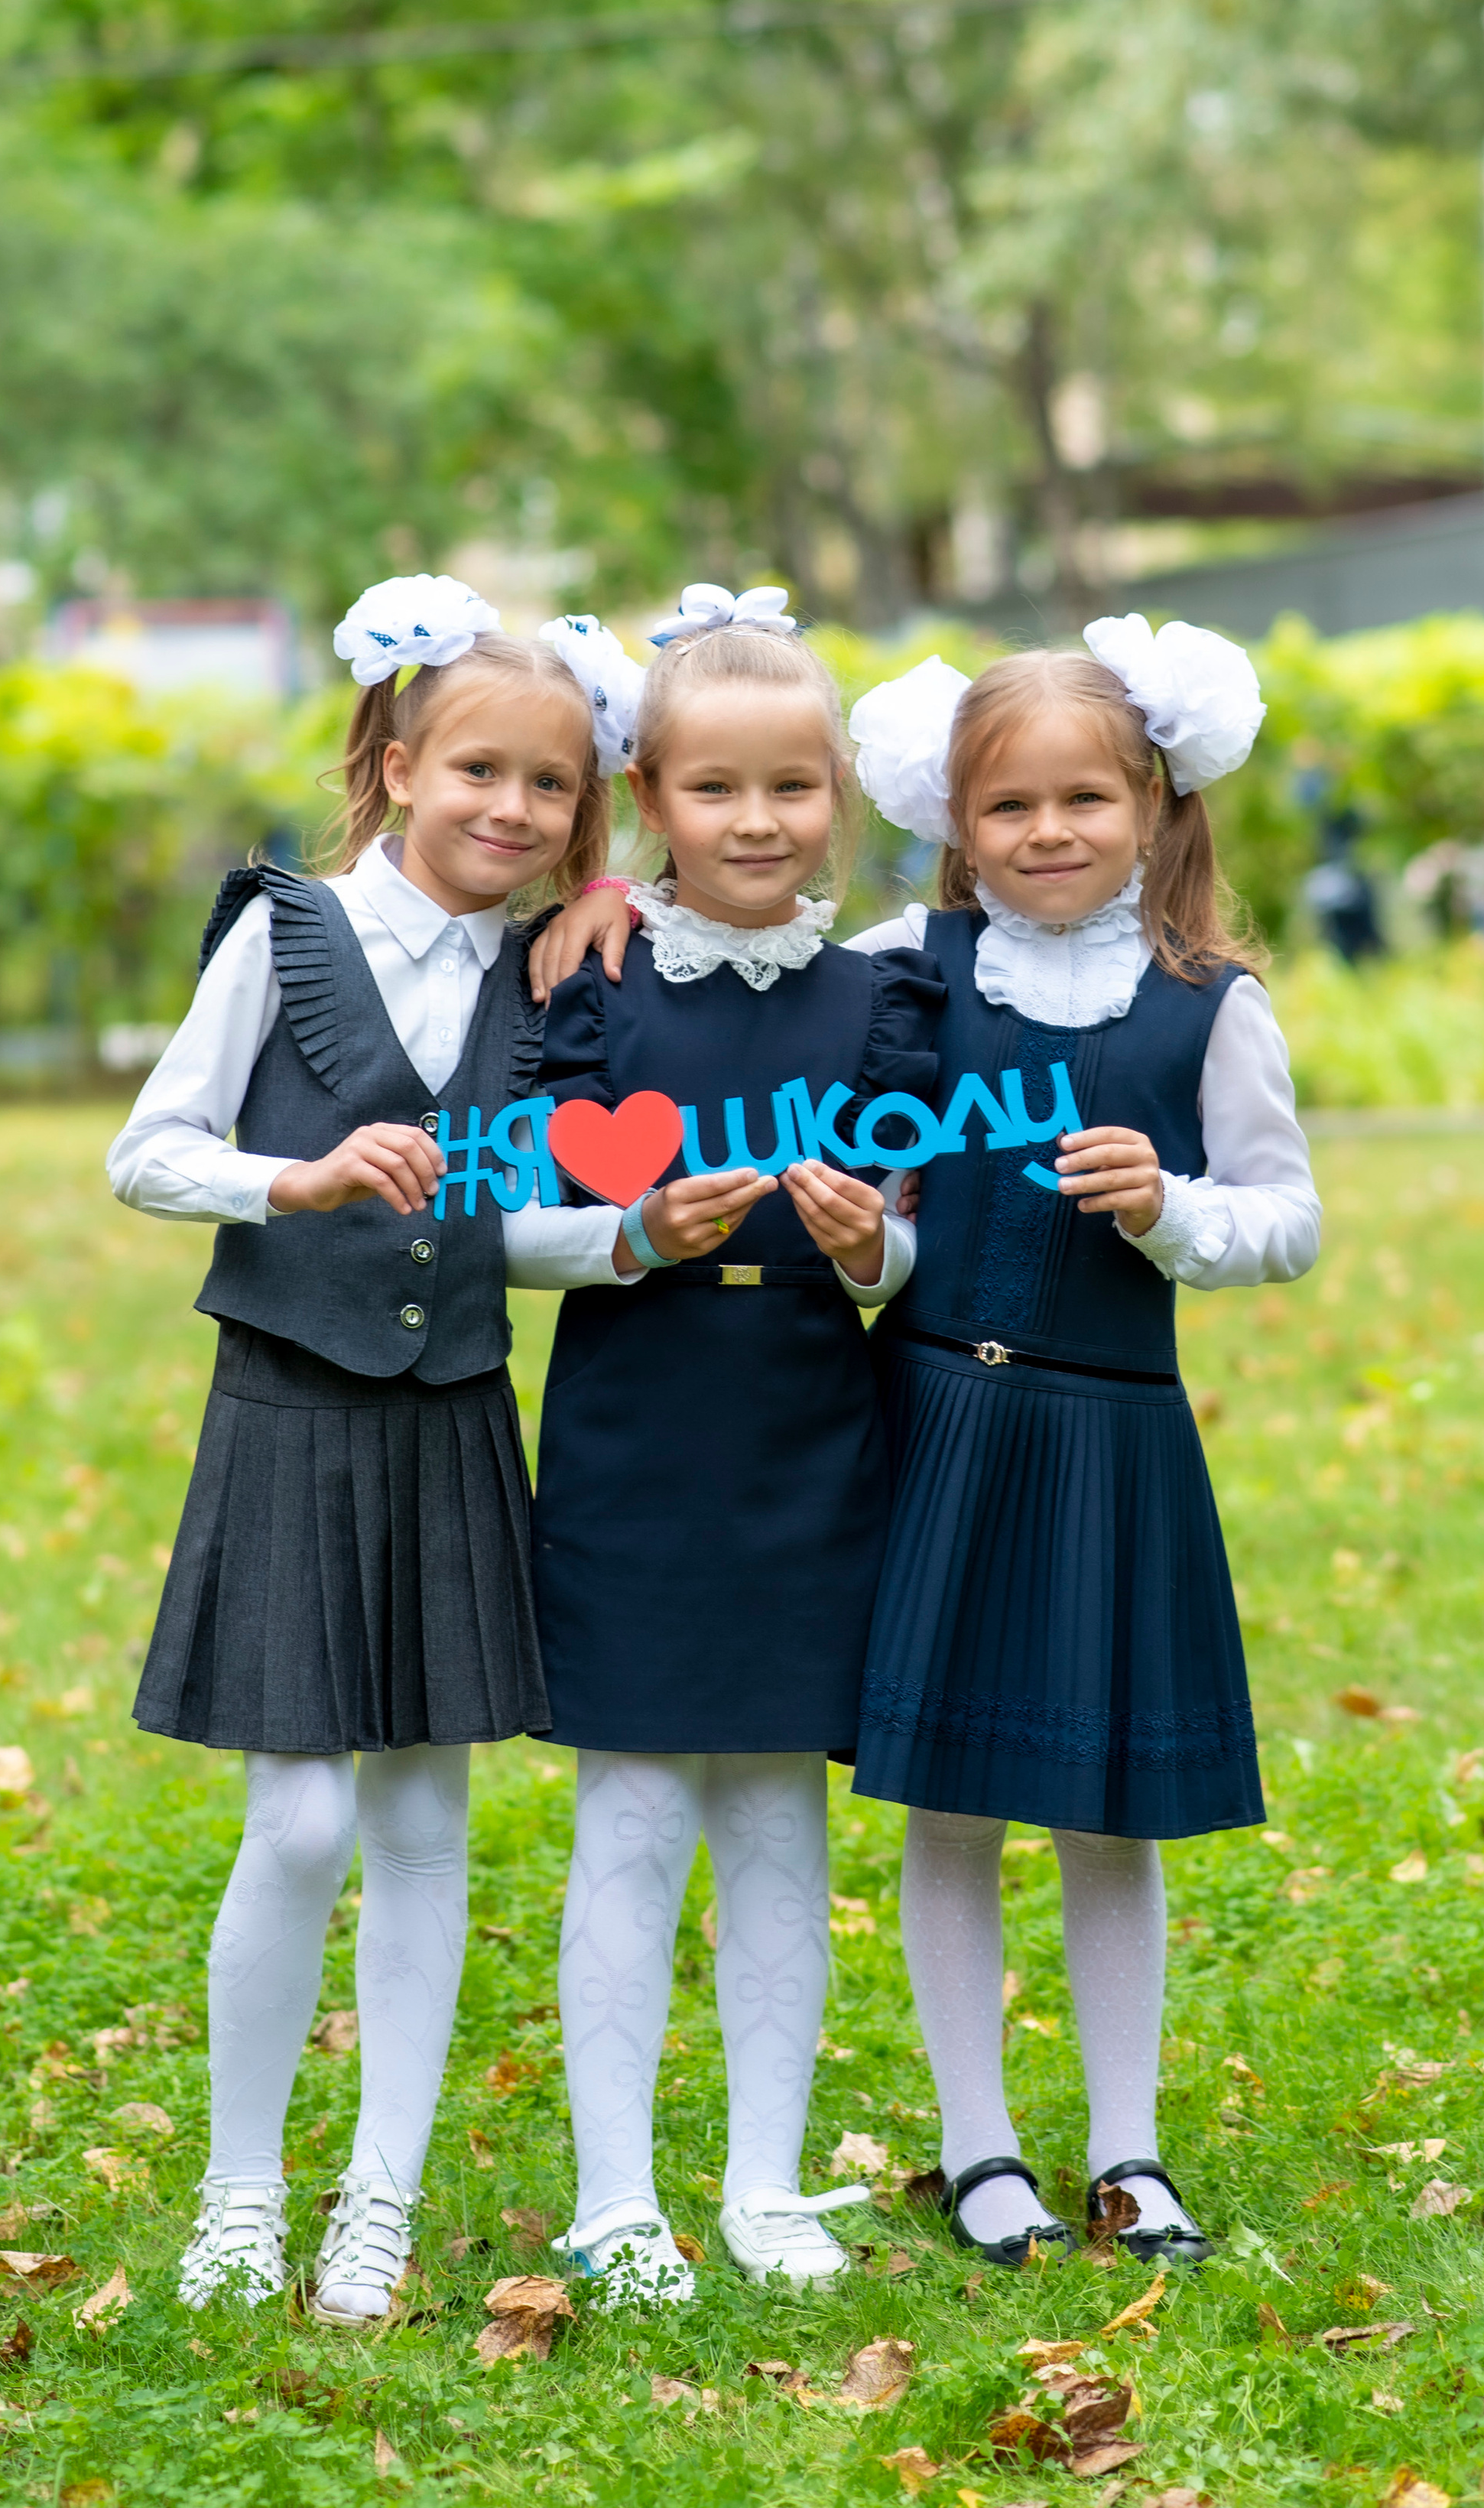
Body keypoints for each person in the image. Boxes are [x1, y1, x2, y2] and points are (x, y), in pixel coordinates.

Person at [106, 574, 638, 2326]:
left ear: (580, 811)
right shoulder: (285, 933)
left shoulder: (548, 978)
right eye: (475, 768)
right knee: (302, 1818)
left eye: (548, 787)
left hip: (451, 1419)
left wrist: (633, 1240)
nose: (509, 807)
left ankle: (379, 2200)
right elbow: (150, 1149)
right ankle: (241, 2185)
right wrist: (299, 1179)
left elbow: (511, 1223)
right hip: (289, 1408)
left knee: (425, 1821)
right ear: (396, 760)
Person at [834, 619, 1320, 2266]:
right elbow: (891, 1216)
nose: (1045, 833)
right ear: (953, 822)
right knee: (950, 1801)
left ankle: (1128, 2147)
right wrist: (859, 1250)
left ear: (1154, 803)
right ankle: (978, 2147)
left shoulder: (1203, 1004)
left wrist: (1173, 1209)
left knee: (1106, 1809)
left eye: (1082, 800)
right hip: (938, 1422)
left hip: (1106, 1436)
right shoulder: (913, 970)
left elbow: (1286, 1219)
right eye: (1008, 807)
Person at [529, 583, 943, 2302]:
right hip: (634, 1432)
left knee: (778, 1814)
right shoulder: (592, 981)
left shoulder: (880, 1003)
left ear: (834, 796)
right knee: (627, 1810)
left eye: (791, 787)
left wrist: (870, 1249)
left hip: (802, 1434)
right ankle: (614, 2192)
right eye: (715, 790)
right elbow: (512, 1209)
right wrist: (628, 1234)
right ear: (650, 805)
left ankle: (765, 2181)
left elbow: (916, 1223)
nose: (756, 821)